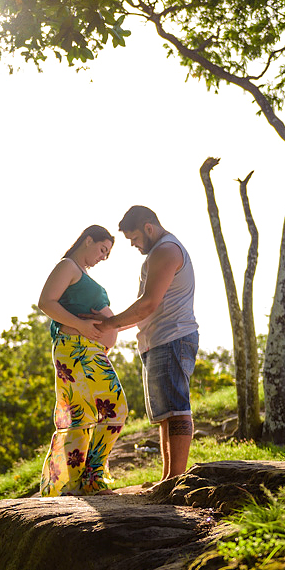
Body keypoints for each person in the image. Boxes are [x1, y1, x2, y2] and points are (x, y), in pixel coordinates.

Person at [95, 206, 199, 480]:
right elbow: (147, 309)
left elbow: (148, 304)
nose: (133, 244)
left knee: (176, 410)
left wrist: (110, 323)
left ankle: (176, 480)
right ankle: (169, 479)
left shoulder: (166, 250)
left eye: (134, 238)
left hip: (173, 339)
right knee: (165, 414)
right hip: (157, 342)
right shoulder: (156, 253)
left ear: (148, 228)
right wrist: (109, 330)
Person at [36, 225, 129, 496]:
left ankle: (84, 480)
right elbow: (46, 302)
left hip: (89, 351)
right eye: (102, 249)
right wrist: (82, 326)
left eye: (108, 254)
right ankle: (82, 482)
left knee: (103, 412)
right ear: (88, 240)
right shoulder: (68, 266)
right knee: (93, 413)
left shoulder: (83, 273)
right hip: (74, 349)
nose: (103, 257)